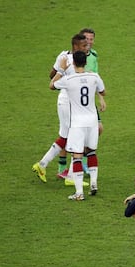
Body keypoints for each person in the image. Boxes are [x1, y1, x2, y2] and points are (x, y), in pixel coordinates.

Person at [32, 34, 89, 183]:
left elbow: (52, 75)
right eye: (84, 45)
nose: (87, 47)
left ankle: (42, 165)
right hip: (68, 103)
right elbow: (53, 79)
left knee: (66, 137)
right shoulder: (70, 60)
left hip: (68, 102)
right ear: (76, 46)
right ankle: (69, 176)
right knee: (76, 136)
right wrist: (62, 72)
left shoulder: (64, 56)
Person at [49, 51, 106, 200]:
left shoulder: (69, 79)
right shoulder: (94, 76)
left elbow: (52, 85)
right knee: (92, 152)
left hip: (77, 124)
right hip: (93, 122)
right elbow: (103, 91)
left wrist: (61, 70)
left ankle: (79, 192)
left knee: (77, 156)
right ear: (86, 62)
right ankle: (94, 183)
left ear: (73, 63)